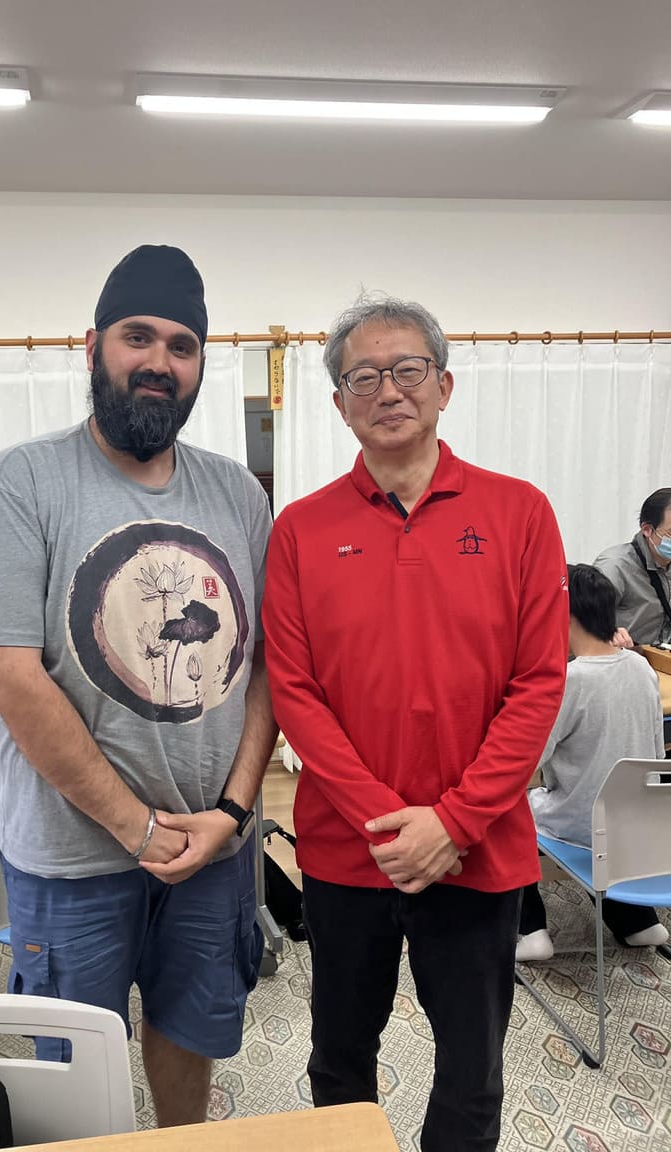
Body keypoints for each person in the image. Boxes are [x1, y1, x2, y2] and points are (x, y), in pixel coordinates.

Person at [0, 245, 276, 1127]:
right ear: (92, 344)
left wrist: (236, 812)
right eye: (139, 337)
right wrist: (131, 825)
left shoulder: (240, 498)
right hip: (72, 859)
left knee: (191, 1032)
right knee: (77, 1068)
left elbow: (267, 668)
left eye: (183, 345)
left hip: (211, 853)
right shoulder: (23, 482)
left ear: (202, 364)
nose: (159, 362)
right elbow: (7, 672)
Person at [262, 295, 569, 1152]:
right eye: (365, 376)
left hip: (479, 854)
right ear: (339, 403)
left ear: (443, 386)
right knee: (339, 1061)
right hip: (345, 855)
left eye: (408, 371)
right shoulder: (300, 529)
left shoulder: (520, 513)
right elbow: (295, 692)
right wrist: (391, 823)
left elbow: (538, 684)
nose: (388, 391)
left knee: (472, 1072)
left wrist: (454, 822)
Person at [517, 563, 668, 961]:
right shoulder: (640, 667)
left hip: (580, 825)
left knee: (507, 809)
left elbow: (530, 760)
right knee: (604, 812)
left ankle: (530, 930)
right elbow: (654, 748)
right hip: (637, 824)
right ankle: (636, 922)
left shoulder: (569, 681)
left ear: (563, 615)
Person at [593, 488, 671, 649]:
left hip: (661, 662)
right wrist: (609, 634)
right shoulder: (614, 566)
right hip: (621, 663)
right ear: (647, 530)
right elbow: (583, 625)